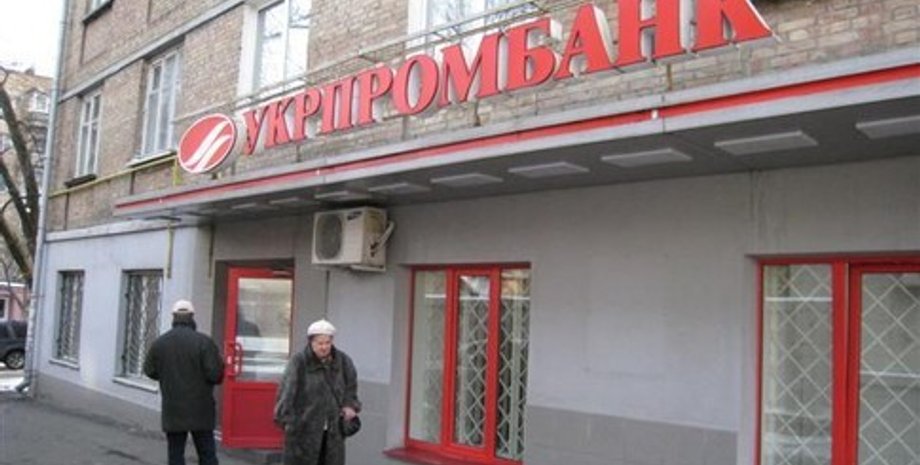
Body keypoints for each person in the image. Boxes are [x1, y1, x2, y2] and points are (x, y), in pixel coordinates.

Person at [144, 299, 224, 465]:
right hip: (201, 408)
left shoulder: (160, 343)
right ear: (192, 317)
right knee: (207, 453)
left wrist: (167, 376)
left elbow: (149, 370)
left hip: (173, 407)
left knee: (175, 454)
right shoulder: (204, 342)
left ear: (173, 317)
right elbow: (215, 375)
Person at [274, 319, 361, 465]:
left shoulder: (343, 361)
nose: (324, 347)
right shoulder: (299, 362)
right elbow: (287, 392)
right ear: (311, 342)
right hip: (303, 431)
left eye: (328, 343)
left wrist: (350, 406)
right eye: (320, 343)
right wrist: (288, 422)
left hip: (333, 431)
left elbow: (351, 388)